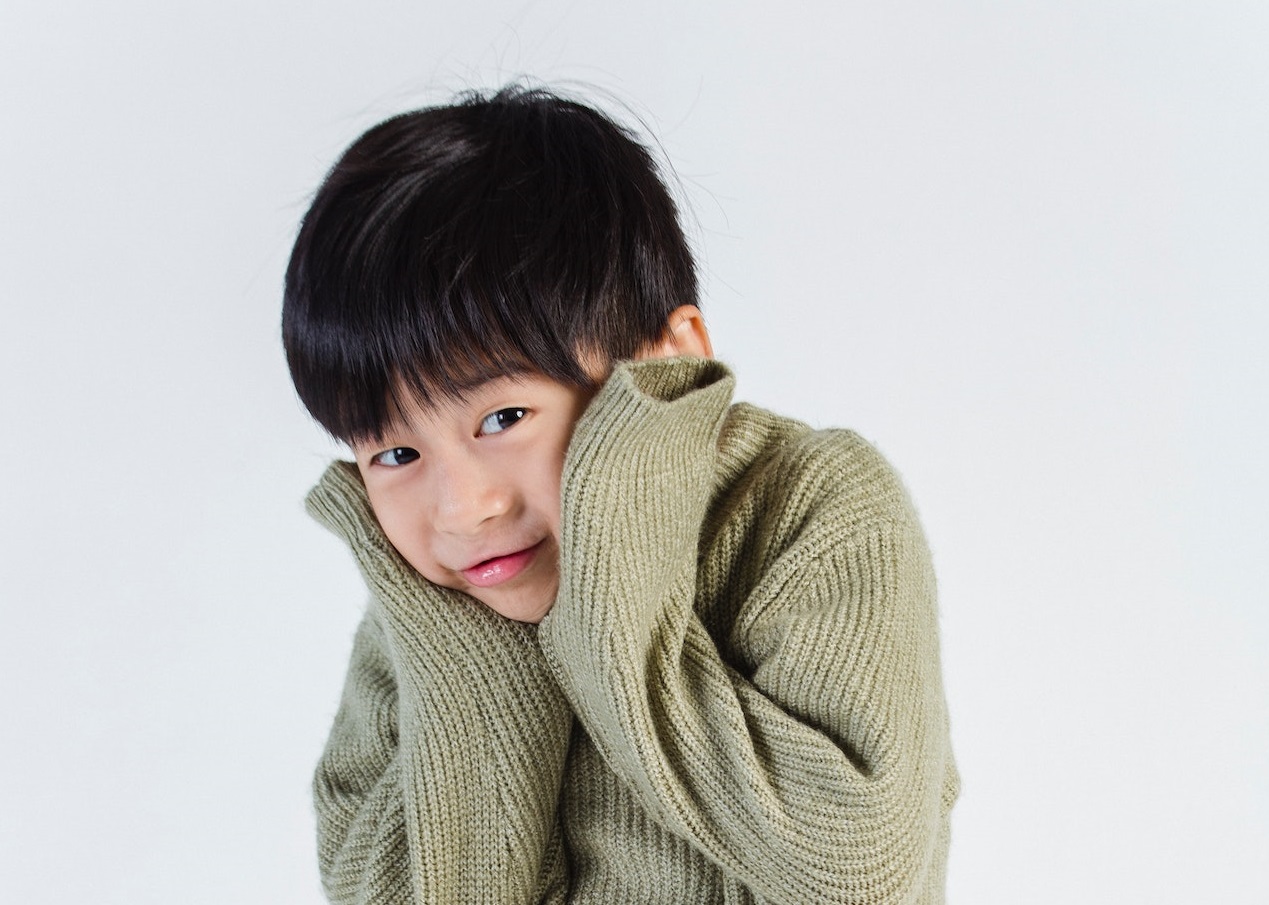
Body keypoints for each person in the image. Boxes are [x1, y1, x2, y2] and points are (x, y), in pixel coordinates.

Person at [283, 85, 958, 905]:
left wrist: (611, 583)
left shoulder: (809, 508)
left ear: (668, 364)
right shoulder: (429, 613)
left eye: (503, 416)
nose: (464, 507)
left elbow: (859, 871)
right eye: (395, 451)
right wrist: (478, 666)